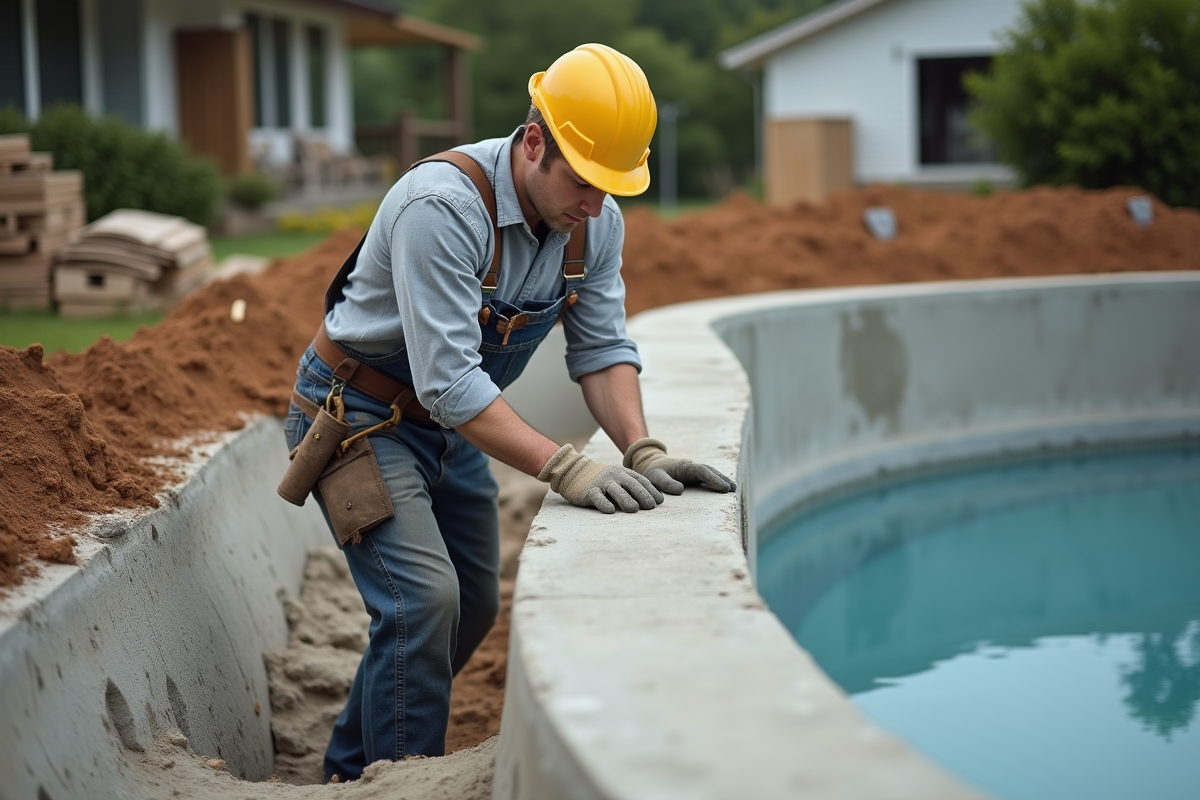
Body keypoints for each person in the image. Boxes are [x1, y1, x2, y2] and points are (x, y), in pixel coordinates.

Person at [283, 43, 735, 782]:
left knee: (473, 605)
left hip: (445, 425)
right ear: (533, 143)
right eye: (586, 181)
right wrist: (563, 465)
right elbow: (449, 382)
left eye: (612, 186)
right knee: (421, 603)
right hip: (359, 414)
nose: (597, 203)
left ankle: (349, 766)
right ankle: (403, 780)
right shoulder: (445, 208)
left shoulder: (594, 221)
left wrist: (641, 448)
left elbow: (602, 345)